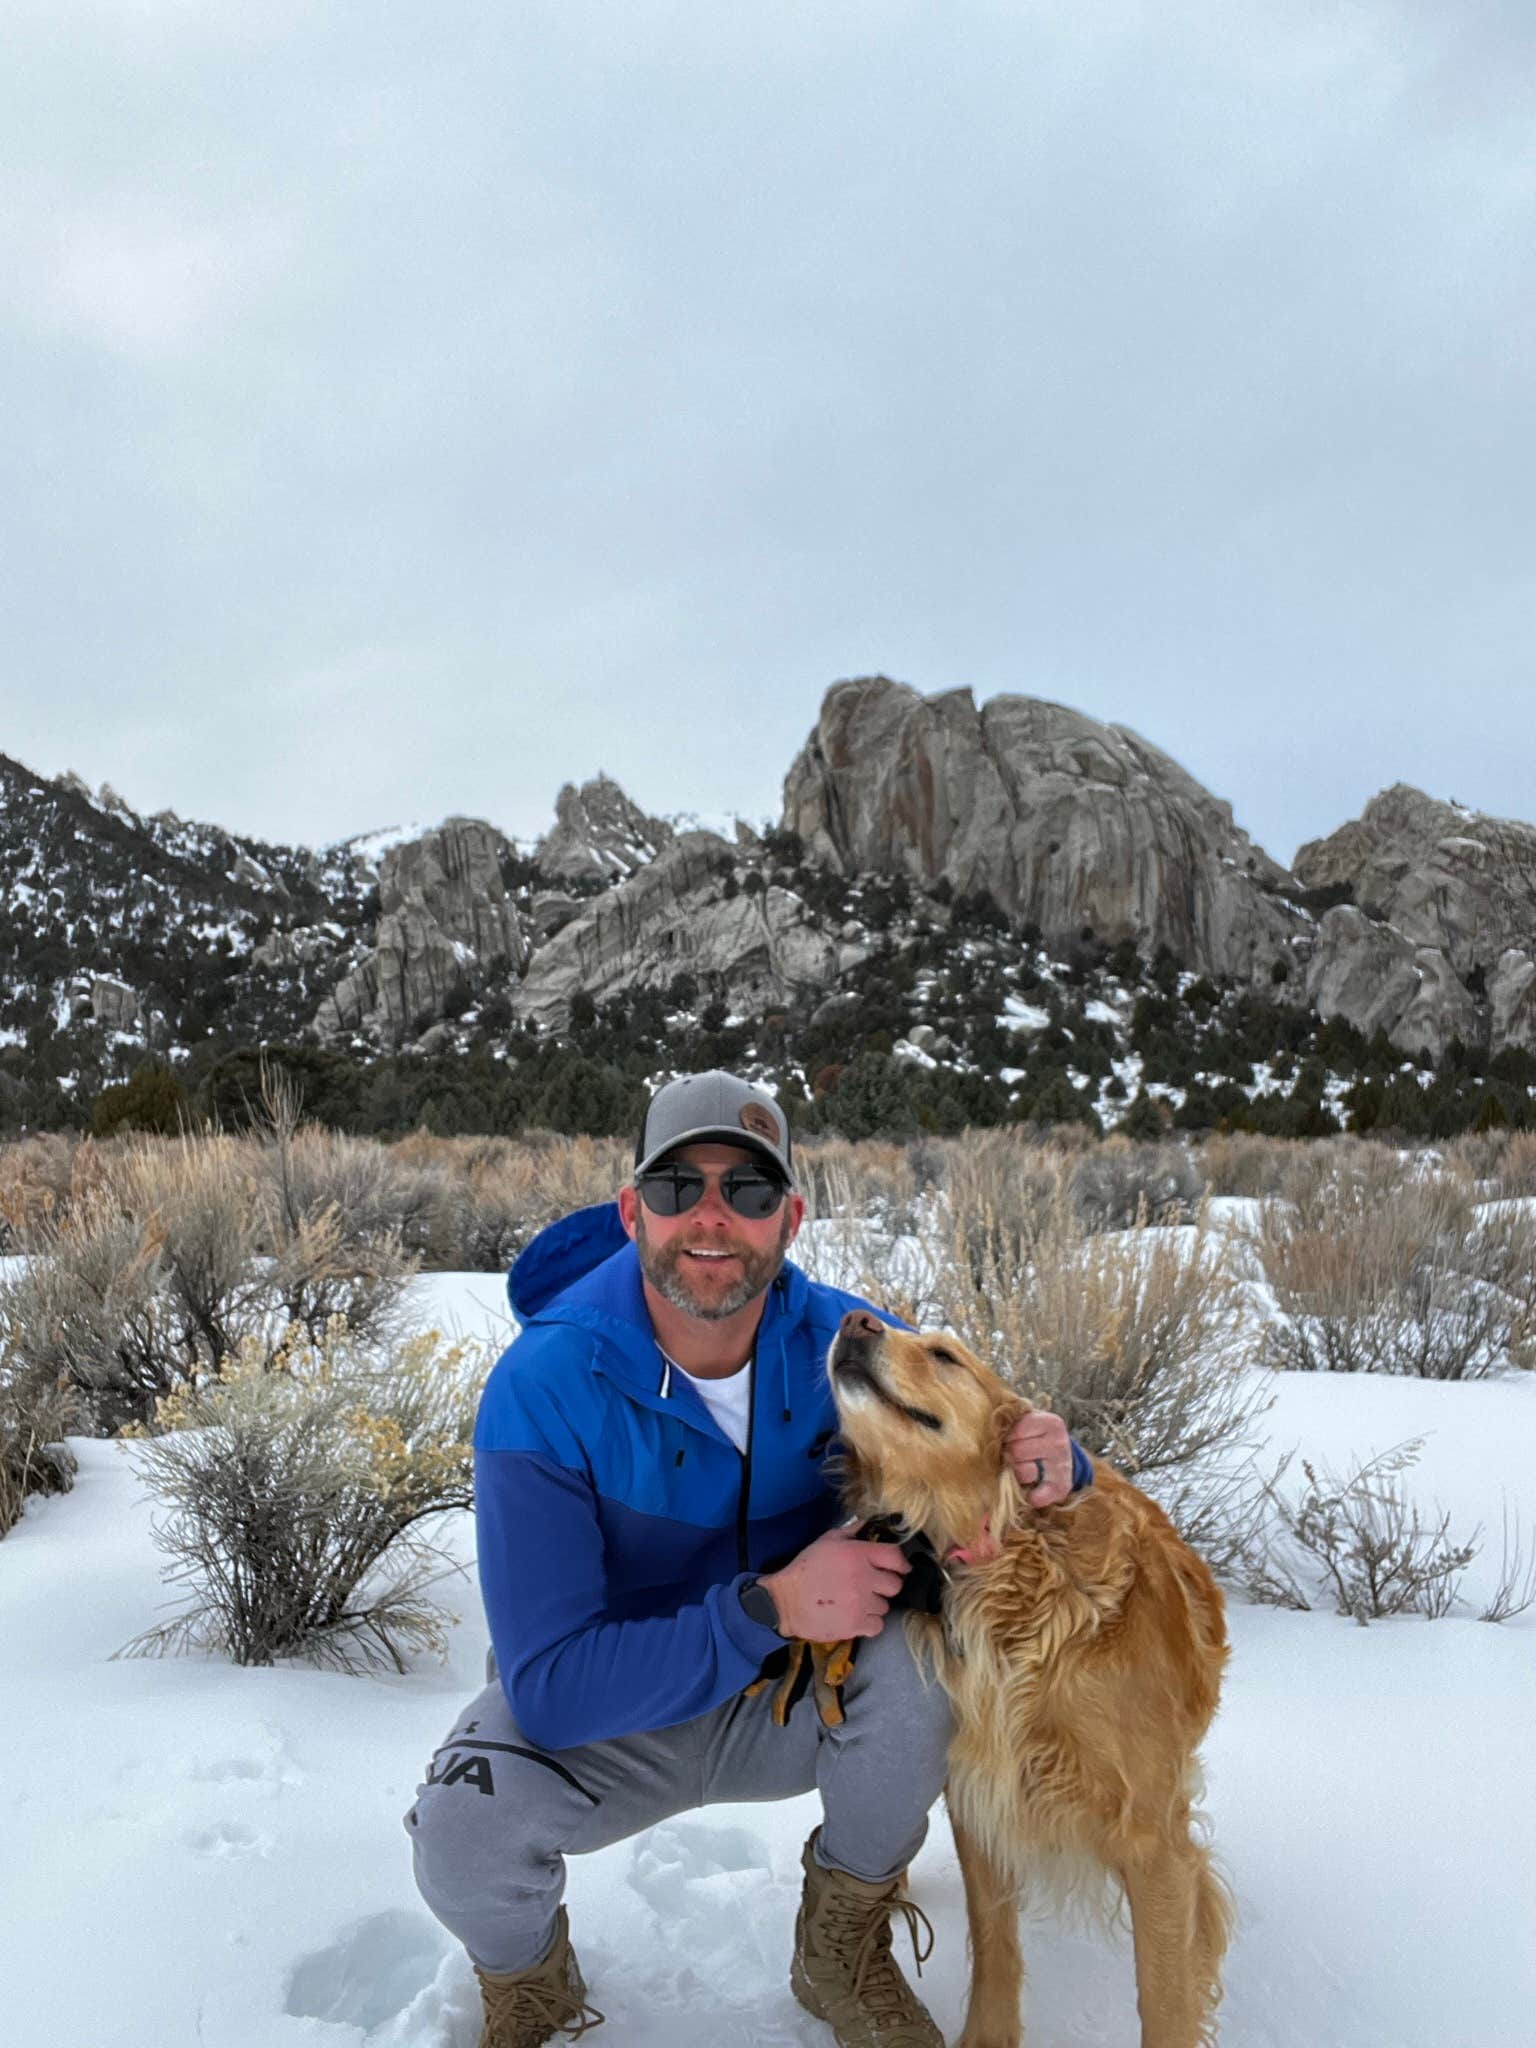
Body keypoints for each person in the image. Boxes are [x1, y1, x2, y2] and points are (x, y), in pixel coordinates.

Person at [407, 1070, 1091, 2048]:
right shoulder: (545, 1385)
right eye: (681, 1186)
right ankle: (531, 1985)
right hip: (612, 1709)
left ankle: (840, 1942)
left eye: (751, 1190)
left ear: (792, 1216)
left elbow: (991, 1435)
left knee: (939, 1665)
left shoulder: (844, 1342)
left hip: (798, 1692)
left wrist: (1064, 1462)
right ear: (632, 1209)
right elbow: (552, 1688)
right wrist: (766, 1607)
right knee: (460, 1829)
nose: (714, 1218)